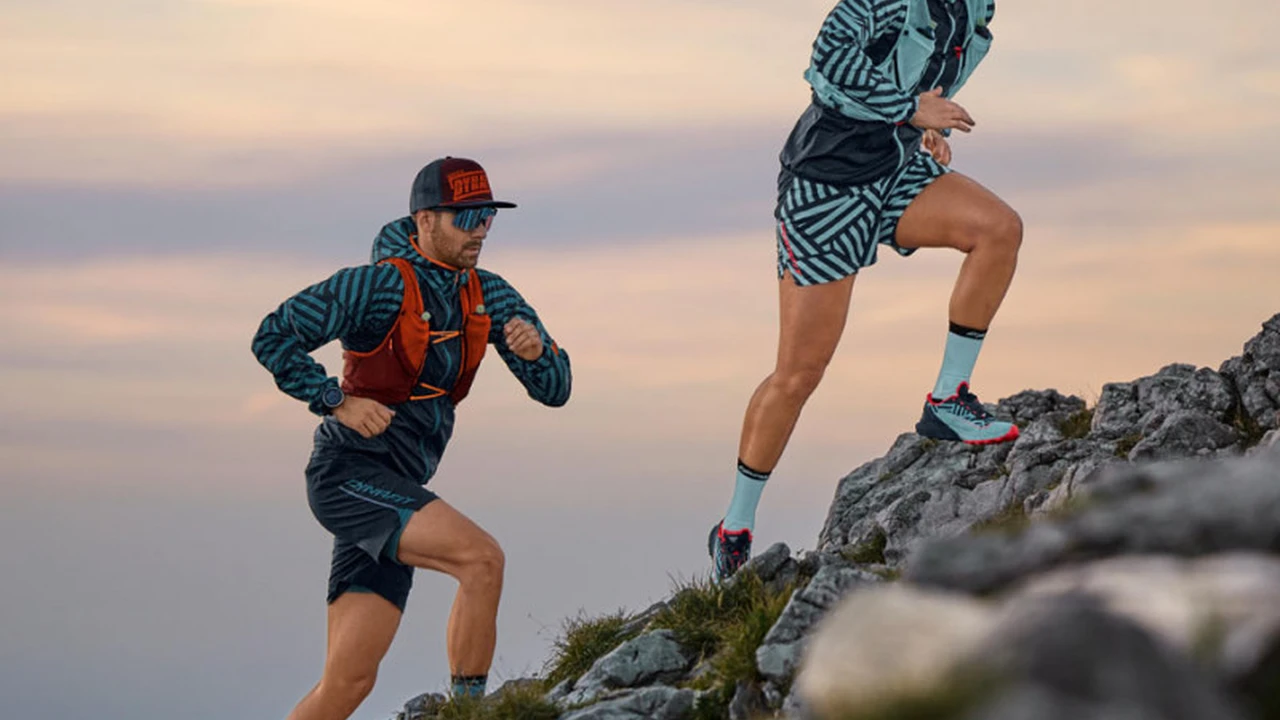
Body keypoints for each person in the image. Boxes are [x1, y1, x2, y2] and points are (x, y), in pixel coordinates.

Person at [709, 0, 1022, 580]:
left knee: (998, 229)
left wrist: (917, 128)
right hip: (826, 186)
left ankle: (947, 400)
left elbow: (916, 82)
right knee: (799, 374)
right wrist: (909, 108)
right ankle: (734, 528)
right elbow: (828, 65)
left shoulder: (974, 11)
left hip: (895, 170)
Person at [251, 157, 571, 719]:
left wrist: (538, 354)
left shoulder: (489, 296)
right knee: (482, 561)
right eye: (465, 217)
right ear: (424, 219)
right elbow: (273, 335)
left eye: (488, 218)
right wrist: (336, 401)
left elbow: (556, 391)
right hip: (347, 475)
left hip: (393, 487)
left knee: (347, 684)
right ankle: (469, 714)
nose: (479, 231)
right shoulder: (373, 287)